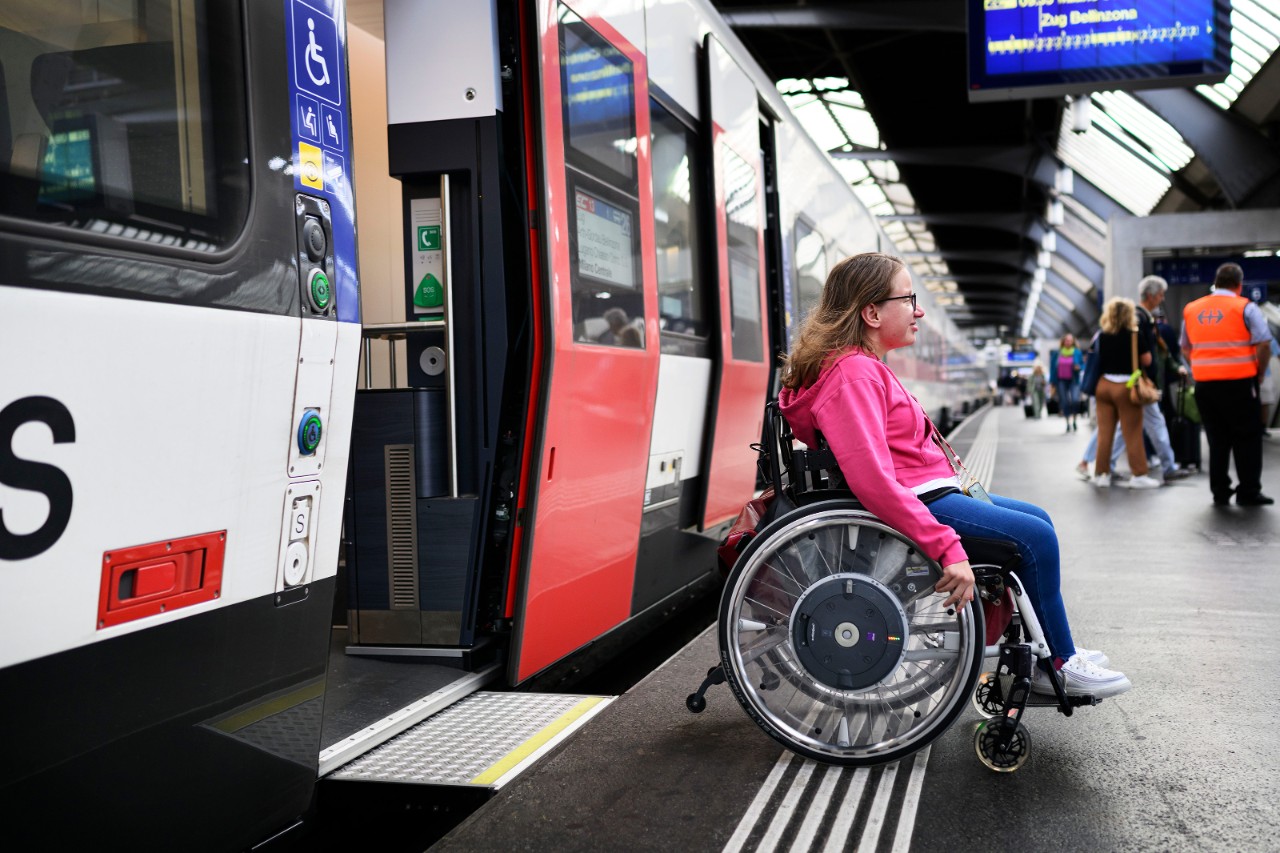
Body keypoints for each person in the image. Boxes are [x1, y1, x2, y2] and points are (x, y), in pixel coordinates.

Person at [777, 252, 1131, 698]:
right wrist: (946, 546)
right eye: (908, 299)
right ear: (871, 313)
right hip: (922, 499)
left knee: (1038, 519)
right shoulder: (855, 374)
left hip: (929, 489)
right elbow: (872, 480)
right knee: (1036, 538)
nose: (919, 311)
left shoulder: (860, 366)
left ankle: (1053, 647)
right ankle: (1058, 663)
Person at [1181, 263, 1275, 507]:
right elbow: (1264, 343)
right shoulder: (1245, 307)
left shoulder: (1191, 309)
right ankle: (1248, 492)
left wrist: (1200, 367)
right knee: (1247, 437)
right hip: (1240, 383)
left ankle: (1220, 491)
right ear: (1238, 285)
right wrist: (1259, 372)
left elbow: (1185, 347)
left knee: (1217, 439)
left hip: (1205, 385)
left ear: (1216, 282)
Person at [1090, 297, 1161, 489]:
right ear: (1129, 314)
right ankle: (1139, 475)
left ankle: (1102, 475)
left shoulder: (1102, 335)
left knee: (1104, 433)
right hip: (1126, 387)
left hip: (1103, 386)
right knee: (1132, 433)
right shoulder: (1134, 335)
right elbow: (1147, 360)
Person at [1134, 276, 1191, 482]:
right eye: (1160, 295)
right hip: (1144, 382)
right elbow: (1147, 355)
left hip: (1141, 381)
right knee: (1155, 424)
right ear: (1150, 295)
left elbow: (1162, 354)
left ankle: (1101, 465)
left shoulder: (1141, 317)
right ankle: (1169, 467)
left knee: (1126, 428)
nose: (1162, 298)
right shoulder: (1141, 318)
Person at [1050, 333, 1083, 432]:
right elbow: (1052, 368)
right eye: (1067, 340)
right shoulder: (1057, 353)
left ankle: (1075, 420)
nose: (1068, 342)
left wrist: (1079, 367)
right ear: (1063, 341)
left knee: (1075, 400)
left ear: (1073, 342)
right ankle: (1068, 422)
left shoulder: (1077, 352)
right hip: (1061, 381)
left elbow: (1083, 364)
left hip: (1074, 380)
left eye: (1070, 340)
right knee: (1064, 402)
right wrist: (1052, 381)